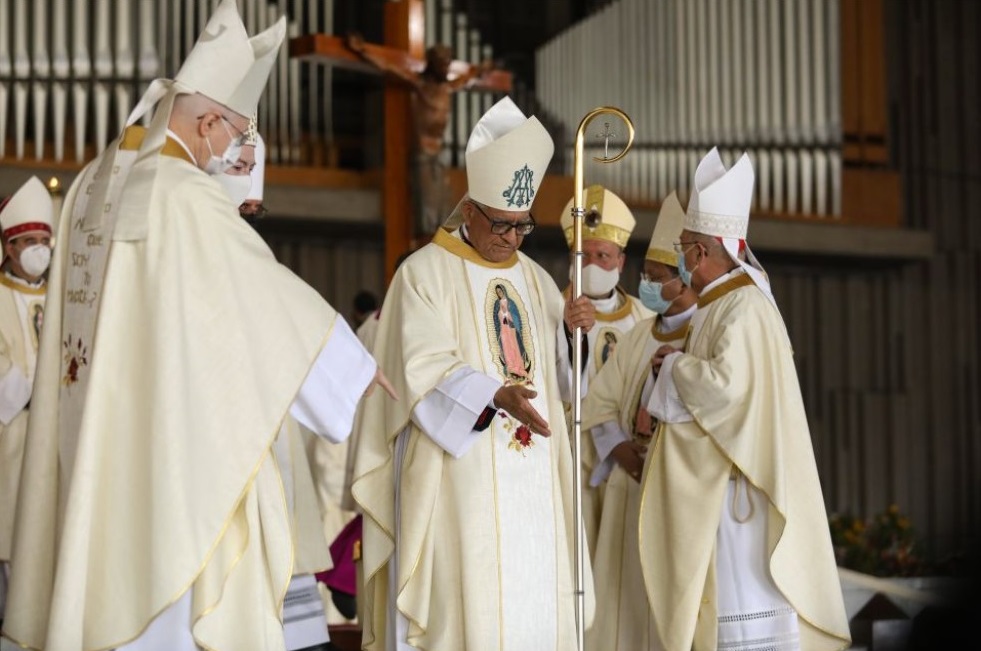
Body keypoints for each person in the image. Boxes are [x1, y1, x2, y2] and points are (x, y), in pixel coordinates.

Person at [1, 2, 393, 651]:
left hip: (98, 436)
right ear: (207, 119)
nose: (235, 149)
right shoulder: (180, 192)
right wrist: (350, 361)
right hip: (166, 451)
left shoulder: (96, 181)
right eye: (235, 132)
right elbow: (256, 292)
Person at [352, 96, 594, 651]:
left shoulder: (535, 278)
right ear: (468, 210)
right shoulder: (423, 275)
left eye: (522, 227)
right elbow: (420, 369)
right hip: (461, 479)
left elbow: (563, 388)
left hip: (536, 475)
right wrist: (493, 395)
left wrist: (572, 340)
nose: (511, 238)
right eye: (502, 225)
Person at [640, 148, 850, 650]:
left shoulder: (743, 306)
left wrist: (671, 366)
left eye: (685, 246)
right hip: (731, 483)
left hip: (740, 494)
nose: (682, 256)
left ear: (705, 252)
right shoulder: (728, 302)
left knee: (743, 626)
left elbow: (726, 391)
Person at [580, 191, 697, 651]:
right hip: (629, 482)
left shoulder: (705, 332)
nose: (646, 285)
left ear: (684, 279)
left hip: (674, 487)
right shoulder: (642, 335)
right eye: (645, 276)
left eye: (657, 277)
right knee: (621, 606)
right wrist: (624, 453)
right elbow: (600, 403)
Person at [557, 184, 653, 552]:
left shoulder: (646, 320)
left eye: (603, 255)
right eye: (583, 255)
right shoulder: (551, 310)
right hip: (571, 460)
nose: (592, 265)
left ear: (621, 262)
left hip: (627, 462)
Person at [345, 33, 493, 235]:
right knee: (427, 211)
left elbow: (468, 77)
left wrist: (481, 69)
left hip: (440, 154)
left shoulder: (448, 87)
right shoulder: (420, 85)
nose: (446, 68)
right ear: (432, 65)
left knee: (445, 207)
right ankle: (426, 238)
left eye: (448, 64)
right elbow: (388, 67)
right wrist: (363, 50)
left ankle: (441, 237)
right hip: (422, 152)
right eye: (442, 64)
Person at [0, 177, 54, 629]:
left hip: (53, 440)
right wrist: (42, 386)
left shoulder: (64, 299)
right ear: (10, 248)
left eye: (44, 240)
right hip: (11, 442)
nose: (39, 249)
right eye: (29, 241)